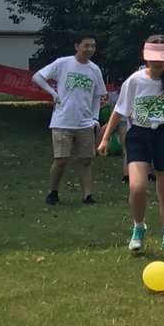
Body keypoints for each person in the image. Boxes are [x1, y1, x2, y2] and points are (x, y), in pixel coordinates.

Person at [98, 36, 164, 255]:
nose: (157, 62)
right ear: (145, 56)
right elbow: (120, 110)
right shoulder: (135, 80)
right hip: (139, 133)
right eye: (152, 58)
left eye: (162, 58)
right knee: (137, 186)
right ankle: (138, 227)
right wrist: (104, 137)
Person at [33, 33, 106, 204]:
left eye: (93, 46)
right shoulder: (63, 63)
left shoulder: (94, 69)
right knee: (61, 160)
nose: (90, 49)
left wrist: (95, 118)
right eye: (86, 45)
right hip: (62, 121)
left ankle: (87, 195)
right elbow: (37, 77)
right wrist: (53, 92)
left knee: (86, 160)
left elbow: (98, 96)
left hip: (85, 122)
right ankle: (53, 192)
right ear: (77, 46)